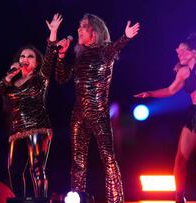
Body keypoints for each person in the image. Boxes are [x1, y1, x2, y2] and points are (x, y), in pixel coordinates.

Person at [134, 33, 196, 203]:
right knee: (180, 158)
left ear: (193, 51)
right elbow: (170, 90)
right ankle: (179, 197)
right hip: (194, 113)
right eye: (178, 51)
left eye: (182, 51)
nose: (179, 54)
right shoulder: (183, 71)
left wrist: (194, 54)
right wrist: (150, 93)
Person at [55, 13, 140, 203]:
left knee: (108, 159)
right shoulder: (79, 56)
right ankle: (77, 199)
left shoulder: (105, 51)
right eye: (79, 25)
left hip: (99, 115)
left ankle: (115, 201)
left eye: (83, 26)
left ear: (94, 31)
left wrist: (125, 36)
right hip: (78, 115)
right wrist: (61, 55)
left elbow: (116, 46)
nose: (78, 29)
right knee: (77, 163)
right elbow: (61, 78)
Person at [0, 13, 62, 198]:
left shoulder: (41, 78)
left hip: (38, 127)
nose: (25, 58)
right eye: (22, 56)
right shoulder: (12, 81)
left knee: (36, 169)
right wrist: (9, 76)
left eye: (30, 56)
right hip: (16, 130)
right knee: (13, 170)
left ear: (36, 61)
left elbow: (50, 56)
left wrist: (53, 33)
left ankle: (41, 200)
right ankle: (18, 200)